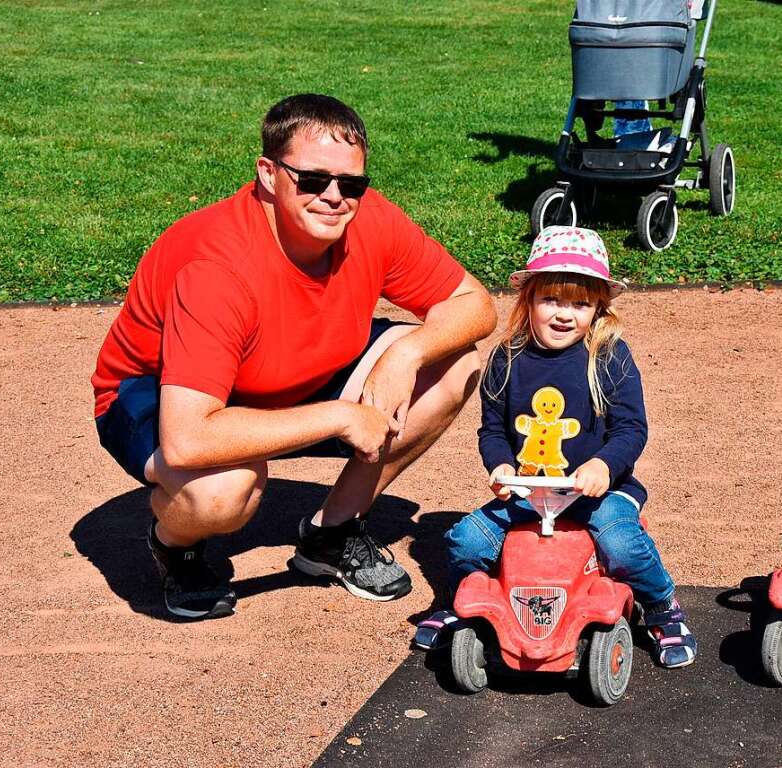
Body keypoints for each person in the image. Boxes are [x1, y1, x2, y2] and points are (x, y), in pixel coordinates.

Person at [92, 93, 497, 620]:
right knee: (223, 489)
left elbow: (475, 304)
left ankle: (330, 535)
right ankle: (177, 546)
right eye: (312, 180)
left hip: (291, 373)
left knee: (453, 362)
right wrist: (340, 415)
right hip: (161, 393)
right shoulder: (217, 266)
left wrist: (409, 353)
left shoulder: (368, 221)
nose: (334, 197)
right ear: (267, 173)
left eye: (351, 184)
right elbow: (188, 439)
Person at [442, 226, 696, 668]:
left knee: (620, 543)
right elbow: (493, 431)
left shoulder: (608, 355)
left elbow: (631, 428)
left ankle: (661, 606)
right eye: (552, 300)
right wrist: (501, 466)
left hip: (597, 491)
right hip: (529, 492)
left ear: (598, 307)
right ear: (529, 299)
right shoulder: (507, 359)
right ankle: (469, 603)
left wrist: (602, 464)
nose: (564, 314)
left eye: (580, 304)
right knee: (465, 541)